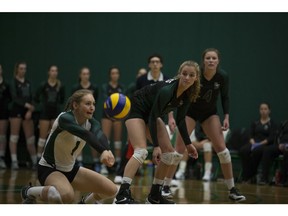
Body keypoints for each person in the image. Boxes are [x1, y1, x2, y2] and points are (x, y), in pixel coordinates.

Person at [115, 60, 200, 204]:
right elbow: (153, 117)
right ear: (179, 74)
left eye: (191, 75)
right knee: (141, 152)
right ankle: (122, 194)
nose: (187, 77)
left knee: (169, 154)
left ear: (196, 78)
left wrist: (188, 144)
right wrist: (155, 146)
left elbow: (180, 120)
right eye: (184, 74)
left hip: (151, 115)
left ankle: (154, 195)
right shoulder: (167, 90)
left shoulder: (188, 94)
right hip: (137, 110)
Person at [166, 48, 246, 202]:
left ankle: (232, 189)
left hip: (209, 114)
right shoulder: (195, 74)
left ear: (218, 61)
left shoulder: (222, 77)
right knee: (178, 150)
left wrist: (226, 116)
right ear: (203, 61)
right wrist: (171, 116)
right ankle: (165, 186)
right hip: (189, 112)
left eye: (214, 58)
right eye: (208, 58)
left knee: (223, 151)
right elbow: (176, 93)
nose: (211, 60)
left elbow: (225, 97)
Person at [21, 89, 118, 204]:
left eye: (93, 104)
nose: (92, 107)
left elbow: (100, 135)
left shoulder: (92, 122)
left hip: (70, 169)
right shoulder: (65, 119)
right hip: (50, 168)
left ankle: (85, 203)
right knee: (67, 196)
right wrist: (102, 151)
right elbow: (85, 134)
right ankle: (29, 191)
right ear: (75, 105)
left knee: (111, 190)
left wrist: (108, 150)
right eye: (87, 104)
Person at [114, 67, 147, 184]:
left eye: (144, 74)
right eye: (139, 74)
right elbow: (125, 104)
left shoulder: (150, 87)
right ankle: (120, 172)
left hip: (148, 120)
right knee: (130, 144)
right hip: (134, 118)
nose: (141, 76)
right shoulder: (132, 87)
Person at [239, 102, 277, 184]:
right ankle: (246, 176)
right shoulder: (255, 122)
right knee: (243, 150)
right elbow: (251, 134)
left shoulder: (272, 124)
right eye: (261, 109)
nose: (263, 111)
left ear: (269, 111)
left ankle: (253, 174)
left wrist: (260, 143)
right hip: (254, 143)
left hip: (264, 144)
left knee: (257, 151)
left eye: (265, 109)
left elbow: (271, 137)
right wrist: (252, 141)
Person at [9, 61, 37, 170]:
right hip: (16, 111)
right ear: (17, 69)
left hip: (27, 113)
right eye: (21, 68)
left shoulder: (28, 82)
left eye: (24, 68)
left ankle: (35, 162)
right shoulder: (13, 82)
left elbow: (32, 97)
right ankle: (14, 161)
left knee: (30, 139)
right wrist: (28, 106)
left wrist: (30, 110)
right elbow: (15, 98)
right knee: (14, 137)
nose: (23, 70)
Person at [34, 65, 65, 159]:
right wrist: (41, 106)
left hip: (55, 113)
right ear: (48, 72)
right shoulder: (43, 85)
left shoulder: (60, 85)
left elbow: (62, 100)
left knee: (54, 138)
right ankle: (38, 158)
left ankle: (51, 159)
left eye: (56, 71)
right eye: (52, 71)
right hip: (45, 113)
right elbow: (36, 98)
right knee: (42, 138)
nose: (54, 73)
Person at [71, 66, 99, 167]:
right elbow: (73, 104)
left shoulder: (94, 88)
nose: (86, 76)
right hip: (78, 118)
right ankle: (79, 162)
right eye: (84, 74)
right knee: (78, 139)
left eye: (87, 74)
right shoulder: (76, 88)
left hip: (90, 118)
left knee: (93, 140)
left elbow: (95, 102)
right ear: (80, 75)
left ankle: (96, 162)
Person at [100, 66, 125, 175]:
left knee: (118, 142)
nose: (115, 75)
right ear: (110, 75)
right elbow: (107, 100)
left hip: (118, 115)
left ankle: (118, 164)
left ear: (118, 75)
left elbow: (123, 100)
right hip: (107, 115)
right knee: (105, 141)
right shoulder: (105, 87)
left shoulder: (122, 87)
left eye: (116, 73)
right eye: (113, 73)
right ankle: (104, 165)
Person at [258, 119, 286, 185]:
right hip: (280, 145)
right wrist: (279, 144)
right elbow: (278, 135)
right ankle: (264, 179)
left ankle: (284, 180)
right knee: (267, 150)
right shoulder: (285, 123)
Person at [0, 64, 11, 169]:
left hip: (3, 112)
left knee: (2, 135)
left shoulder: (6, 84)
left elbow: (10, 98)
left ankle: (1, 157)